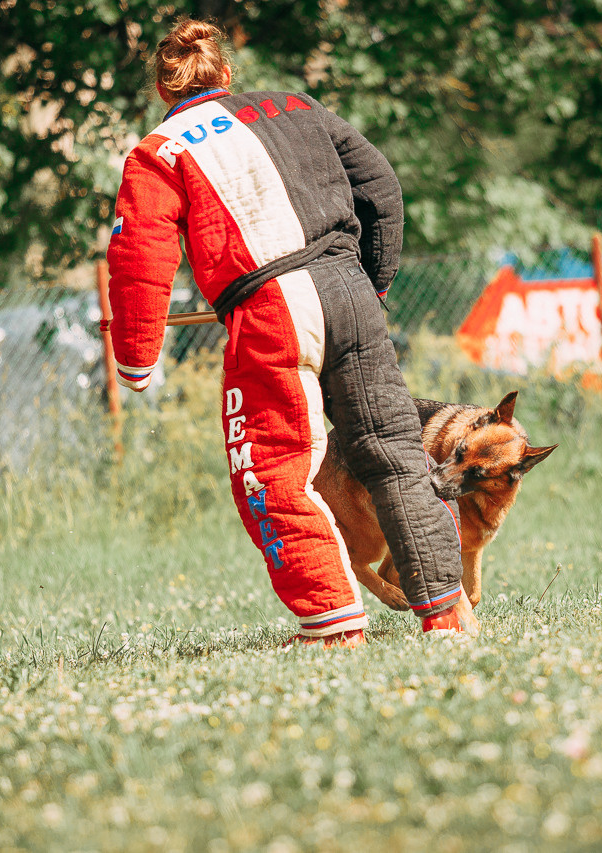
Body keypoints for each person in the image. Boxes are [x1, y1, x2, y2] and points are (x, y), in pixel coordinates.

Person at [105, 18, 472, 647]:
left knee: (272, 470)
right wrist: (372, 286)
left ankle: (333, 625)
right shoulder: (297, 105)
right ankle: (447, 615)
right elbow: (380, 185)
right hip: (348, 289)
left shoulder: (157, 152)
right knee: (395, 453)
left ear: (166, 91)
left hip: (268, 310)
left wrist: (136, 358)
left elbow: (138, 255)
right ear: (224, 74)